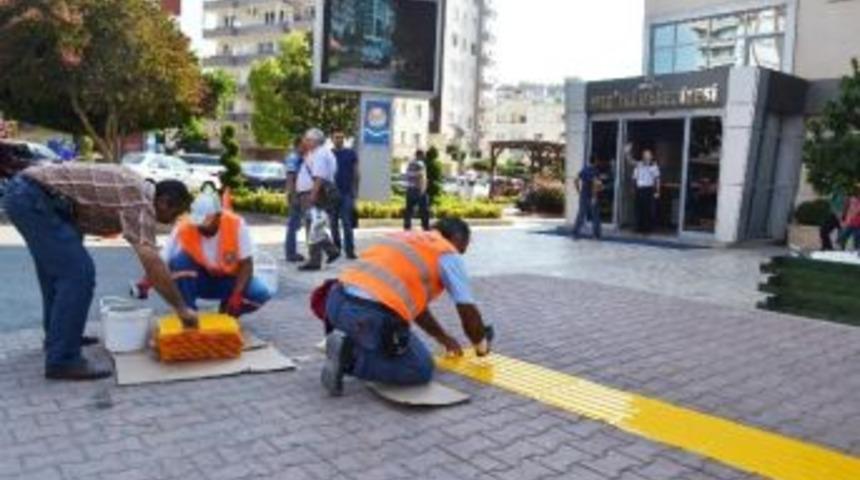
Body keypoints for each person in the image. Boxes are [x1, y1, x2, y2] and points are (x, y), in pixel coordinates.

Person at [1, 162, 195, 380]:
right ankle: (63, 359)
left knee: (57, 275)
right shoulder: (140, 201)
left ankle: (60, 337)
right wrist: (181, 308)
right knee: (77, 275)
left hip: (37, 197)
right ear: (163, 202)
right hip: (34, 198)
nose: (174, 220)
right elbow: (151, 259)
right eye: (175, 213)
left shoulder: (137, 190)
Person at [320, 218, 492, 395]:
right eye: (463, 248)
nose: (461, 254)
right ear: (457, 239)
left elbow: (415, 307)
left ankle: (345, 344)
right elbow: (467, 310)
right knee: (419, 368)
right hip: (367, 315)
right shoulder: (447, 253)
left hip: (335, 301)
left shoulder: (404, 237)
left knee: (384, 342)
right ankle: (347, 359)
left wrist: (443, 338)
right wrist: (481, 345)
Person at [161, 192, 271, 317]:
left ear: (219, 216)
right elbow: (163, 259)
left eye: (206, 222)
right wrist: (148, 280)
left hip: (228, 281)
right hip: (198, 280)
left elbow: (247, 264)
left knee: (259, 294)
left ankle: (226, 314)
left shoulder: (236, 224)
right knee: (180, 262)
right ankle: (188, 313)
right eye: (198, 222)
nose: (201, 227)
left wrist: (237, 294)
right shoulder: (184, 226)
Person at [297, 128, 340, 271]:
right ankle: (330, 250)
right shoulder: (316, 153)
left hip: (313, 193)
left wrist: (313, 195)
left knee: (312, 225)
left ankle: (315, 259)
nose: (305, 142)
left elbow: (319, 177)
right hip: (312, 192)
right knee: (316, 224)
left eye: (308, 139)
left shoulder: (320, 154)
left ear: (315, 141)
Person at [331, 131, 360, 260]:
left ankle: (350, 250)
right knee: (333, 223)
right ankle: (336, 248)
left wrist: (355, 191)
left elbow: (356, 173)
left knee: (347, 223)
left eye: (341, 137)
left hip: (346, 193)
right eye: (337, 137)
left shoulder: (350, 153)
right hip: (331, 194)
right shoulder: (328, 154)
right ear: (332, 139)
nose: (339, 139)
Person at [626, 144, 661, 233]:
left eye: (648, 155)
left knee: (648, 210)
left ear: (651, 156)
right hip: (639, 189)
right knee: (638, 209)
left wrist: (657, 191)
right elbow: (631, 165)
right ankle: (638, 228)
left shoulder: (654, 166)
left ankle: (647, 229)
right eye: (645, 155)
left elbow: (657, 180)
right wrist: (627, 153)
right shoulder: (639, 164)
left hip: (648, 189)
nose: (646, 156)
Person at [284, 138, 305, 263]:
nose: (305, 148)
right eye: (303, 145)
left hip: (299, 194)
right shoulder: (293, 157)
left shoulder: (300, 157)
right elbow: (290, 177)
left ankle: (291, 251)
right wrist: (292, 195)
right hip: (296, 195)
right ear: (298, 145)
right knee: (293, 225)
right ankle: (290, 253)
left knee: (296, 224)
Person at [571, 156, 603, 239]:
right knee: (595, 215)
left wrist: (578, 191)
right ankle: (596, 235)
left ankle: (575, 233)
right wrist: (594, 197)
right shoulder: (595, 171)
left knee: (581, 214)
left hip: (583, 195)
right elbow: (595, 184)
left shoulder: (584, 170)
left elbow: (575, 179)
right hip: (591, 195)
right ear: (595, 161)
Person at [404, 150, 430, 231]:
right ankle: (425, 226)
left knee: (409, 209)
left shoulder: (410, 164)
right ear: (421, 155)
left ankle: (407, 226)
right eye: (423, 155)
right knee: (424, 209)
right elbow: (422, 177)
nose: (424, 157)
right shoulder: (421, 164)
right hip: (418, 189)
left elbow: (407, 175)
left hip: (409, 189)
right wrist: (423, 189)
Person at [837, 185, 860, 251]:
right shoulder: (853, 199)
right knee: (843, 237)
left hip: (858, 225)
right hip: (851, 223)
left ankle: (857, 252)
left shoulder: (854, 200)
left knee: (857, 239)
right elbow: (849, 210)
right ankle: (841, 250)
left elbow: (856, 211)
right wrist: (846, 219)